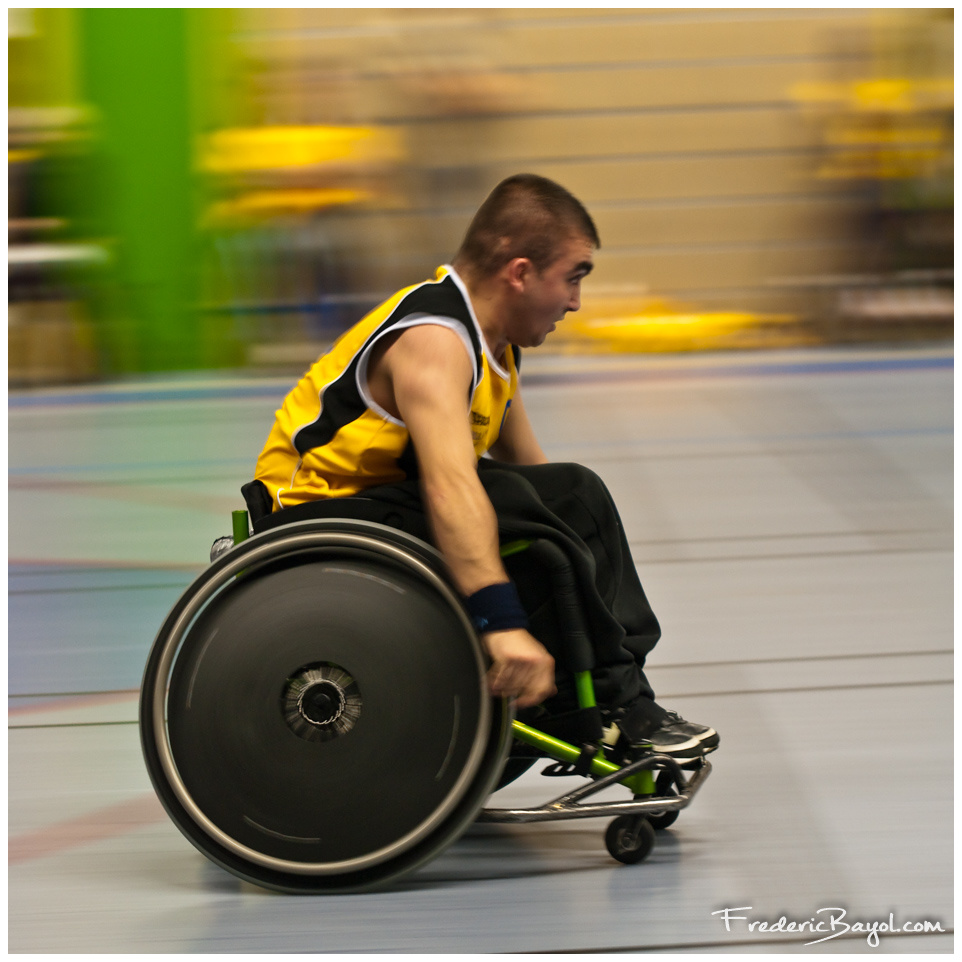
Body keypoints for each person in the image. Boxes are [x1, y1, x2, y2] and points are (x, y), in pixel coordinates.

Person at [250, 174, 718, 763]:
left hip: (383, 506)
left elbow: (543, 484)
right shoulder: (434, 341)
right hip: (316, 519)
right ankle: (612, 705)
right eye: (572, 277)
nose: (576, 302)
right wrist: (501, 623)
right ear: (520, 272)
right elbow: (449, 484)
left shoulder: (493, 344)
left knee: (570, 495)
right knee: (538, 497)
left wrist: (572, 570)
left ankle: (608, 698)